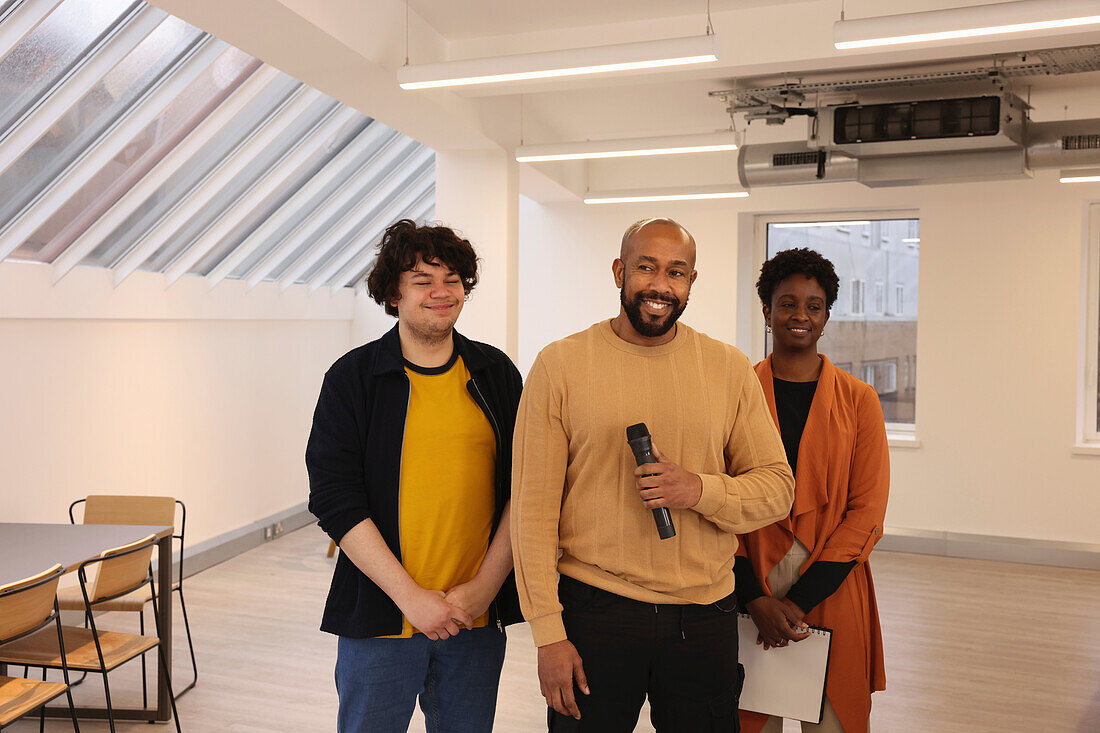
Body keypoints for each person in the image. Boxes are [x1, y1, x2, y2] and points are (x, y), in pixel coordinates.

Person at [511, 217, 795, 732]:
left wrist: (699, 489)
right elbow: (531, 512)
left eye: (676, 272)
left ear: (690, 283)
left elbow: (777, 490)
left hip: (704, 615)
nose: (661, 285)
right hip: (595, 611)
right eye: (646, 267)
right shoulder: (560, 365)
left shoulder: (727, 367)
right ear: (619, 271)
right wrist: (548, 634)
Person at [306, 219, 524, 733]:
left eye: (452, 279)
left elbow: (527, 490)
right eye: (422, 280)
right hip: (382, 621)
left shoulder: (496, 373)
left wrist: (484, 589)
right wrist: (409, 597)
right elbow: (334, 499)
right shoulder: (353, 379)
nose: (440, 293)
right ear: (393, 292)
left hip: (474, 619)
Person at [735, 247, 889, 733]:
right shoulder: (736, 392)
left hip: (832, 585)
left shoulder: (859, 400)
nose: (799, 315)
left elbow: (866, 512)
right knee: (751, 718)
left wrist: (797, 601)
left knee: (833, 722)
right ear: (767, 312)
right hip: (750, 582)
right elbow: (721, 499)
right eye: (786, 303)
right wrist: (753, 600)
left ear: (826, 317)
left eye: (814, 306)